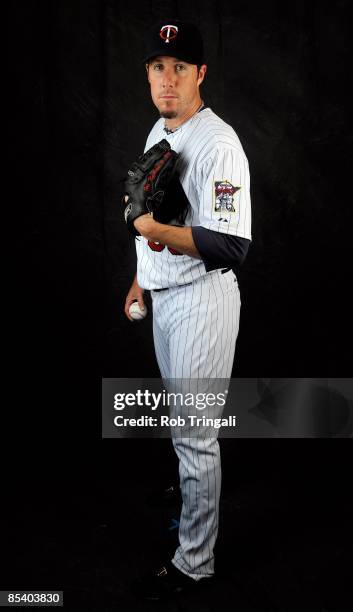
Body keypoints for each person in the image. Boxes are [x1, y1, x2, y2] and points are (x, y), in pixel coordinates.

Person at [124, 19, 252, 600]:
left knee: (197, 437)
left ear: (200, 73)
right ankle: (191, 512)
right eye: (158, 67)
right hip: (167, 295)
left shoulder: (217, 143)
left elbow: (231, 245)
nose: (167, 80)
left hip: (204, 298)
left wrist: (152, 229)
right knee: (182, 431)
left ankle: (195, 565)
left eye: (179, 68)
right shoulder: (161, 126)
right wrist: (139, 281)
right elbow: (152, 216)